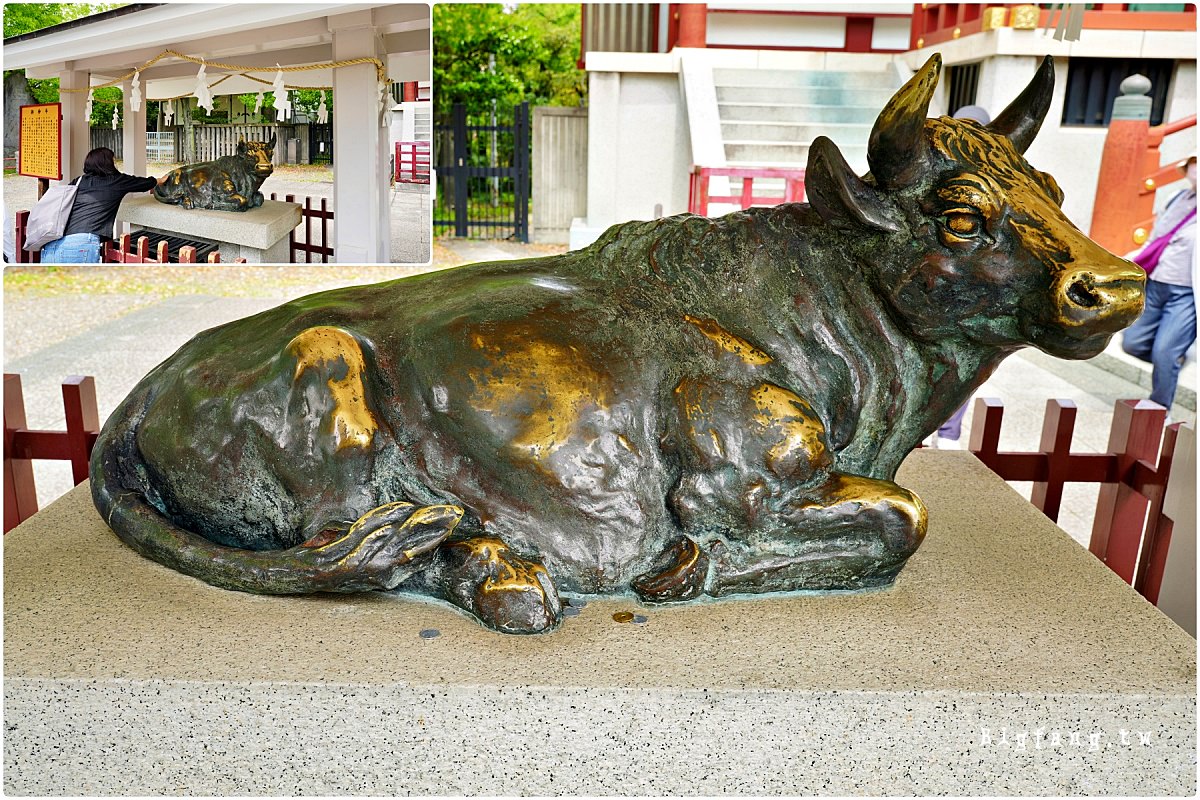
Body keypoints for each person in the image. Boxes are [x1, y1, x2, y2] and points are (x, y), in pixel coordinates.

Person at [1121, 154, 1197, 411]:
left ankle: (1160, 407)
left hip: (1186, 292)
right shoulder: (1176, 198)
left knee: (1165, 353)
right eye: (1193, 163)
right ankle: (1173, 360)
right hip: (1157, 283)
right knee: (1132, 343)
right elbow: (1155, 237)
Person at [39, 147, 163, 263]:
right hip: (81, 244)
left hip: (52, 244)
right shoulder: (116, 181)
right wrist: (160, 180)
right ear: (107, 163)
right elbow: (143, 183)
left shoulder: (79, 181)